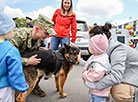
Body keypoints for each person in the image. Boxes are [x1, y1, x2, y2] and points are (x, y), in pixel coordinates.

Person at [78, 23, 138, 102]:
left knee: (117, 91)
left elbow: (116, 77)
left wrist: (94, 86)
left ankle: (131, 96)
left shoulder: (118, 50)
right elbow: (95, 65)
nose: (90, 44)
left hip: (132, 76)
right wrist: (79, 61)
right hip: (122, 73)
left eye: (91, 40)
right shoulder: (102, 50)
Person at [11, 14, 56, 97]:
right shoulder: (19, 36)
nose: (48, 36)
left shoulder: (39, 40)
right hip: (13, 63)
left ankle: (34, 85)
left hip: (23, 61)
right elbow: (9, 59)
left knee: (42, 64)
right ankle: (15, 90)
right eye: (46, 33)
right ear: (37, 29)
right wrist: (28, 61)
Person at [0, 9, 29, 101]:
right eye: (13, 29)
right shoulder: (11, 50)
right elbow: (16, 74)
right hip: (4, 90)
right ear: (5, 30)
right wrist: (22, 88)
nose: (14, 31)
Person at [78, 34, 111, 102]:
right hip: (95, 90)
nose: (89, 47)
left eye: (90, 46)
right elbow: (88, 64)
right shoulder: (97, 56)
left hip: (99, 92)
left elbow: (95, 76)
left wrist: (85, 74)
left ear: (95, 49)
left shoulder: (101, 63)